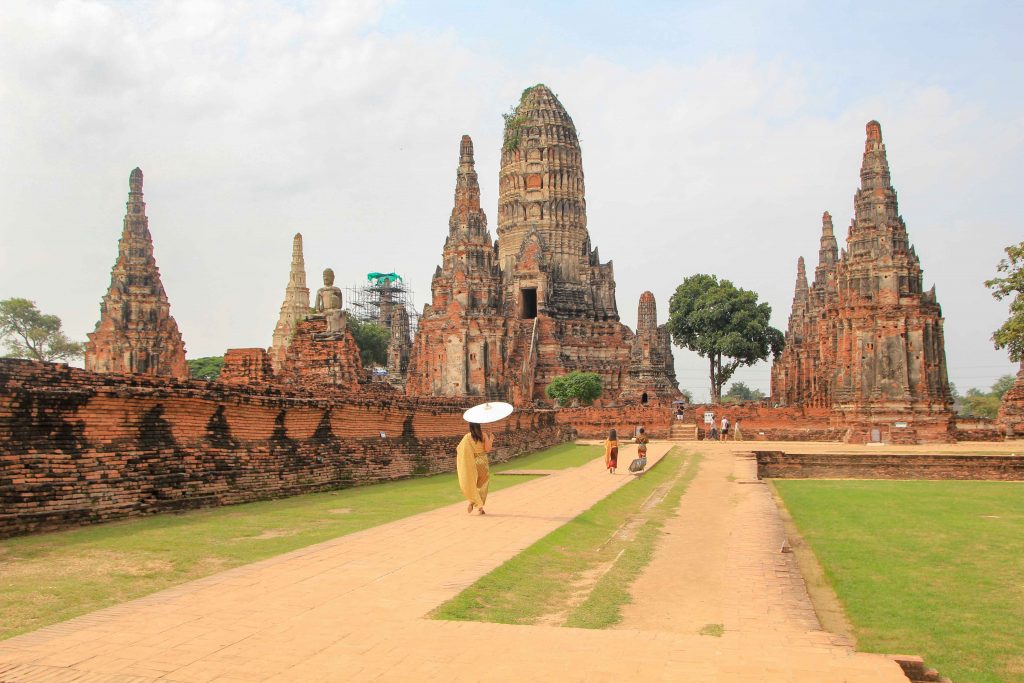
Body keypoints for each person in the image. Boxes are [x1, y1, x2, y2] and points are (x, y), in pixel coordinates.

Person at [456, 422, 494, 515]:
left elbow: (459, 448)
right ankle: (479, 506)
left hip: (472, 463)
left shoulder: (467, 437)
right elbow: (487, 449)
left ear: (470, 427)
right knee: (483, 484)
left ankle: (474, 502)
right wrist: (491, 439)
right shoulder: (483, 435)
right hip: (482, 462)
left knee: (473, 484)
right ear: (479, 425)